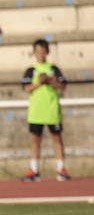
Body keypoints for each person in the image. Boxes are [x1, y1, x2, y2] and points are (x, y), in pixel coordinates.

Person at [22, 38, 71, 181]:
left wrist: (50, 80)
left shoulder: (53, 69)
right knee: (35, 140)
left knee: (57, 139)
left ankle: (61, 169)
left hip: (52, 110)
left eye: (43, 52)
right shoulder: (31, 70)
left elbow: (63, 86)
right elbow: (26, 88)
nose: (40, 55)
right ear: (34, 53)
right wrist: (38, 83)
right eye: (38, 52)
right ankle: (34, 170)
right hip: (36, 112)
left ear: (47, 52)